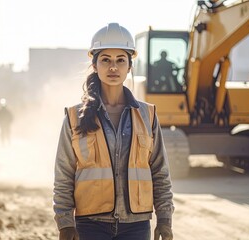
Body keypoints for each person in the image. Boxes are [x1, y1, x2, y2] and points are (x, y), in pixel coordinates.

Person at [53, 23, 174, 240]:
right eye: (105, 59)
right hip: (90, 226)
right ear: (95, 64)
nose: (113, 67)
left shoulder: (147, 115)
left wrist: (164, 219)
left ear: (129, 66)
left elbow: (160, 172)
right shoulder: (75, 117)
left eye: (120, 60)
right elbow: (64, 175)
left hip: (136, 227)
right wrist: (65, 223)